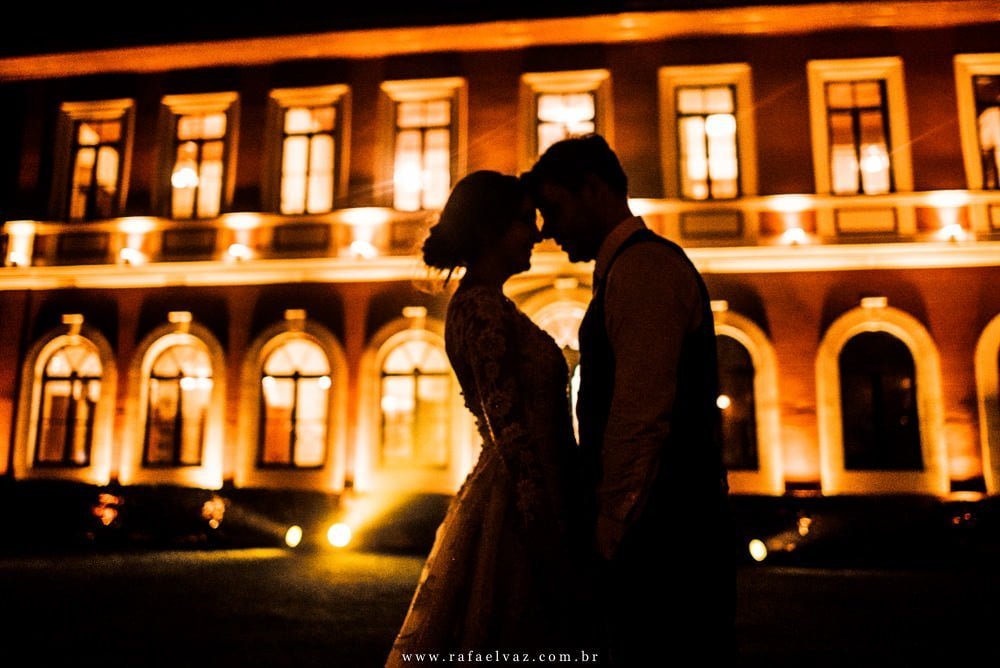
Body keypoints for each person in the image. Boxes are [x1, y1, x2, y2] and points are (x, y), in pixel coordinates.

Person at [526, 134, 736, 666]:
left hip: (663, 539)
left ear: (593, 190)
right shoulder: (630, 270)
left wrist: (609, 531)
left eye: (554, 208)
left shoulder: (644, 271)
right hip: (661, 531)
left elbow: (639, 417)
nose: (547, 230)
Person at [385, 171, 589, 667]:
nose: (537, 233)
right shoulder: (480, 309)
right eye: (524, 221)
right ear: (488, 230)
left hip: (526, 490)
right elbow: (509, 426)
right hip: (520, 502)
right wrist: (543, 526)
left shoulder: (488, 305)